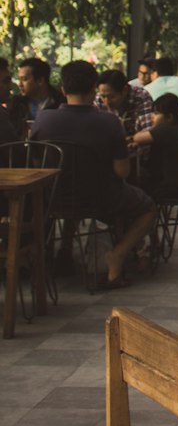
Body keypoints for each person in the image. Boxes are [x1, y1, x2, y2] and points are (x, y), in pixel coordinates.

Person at [31, 58, 155, 290]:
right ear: (93, 89)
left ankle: (64, 253)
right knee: (147, 208)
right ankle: (117, 256)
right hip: (100, 199)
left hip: (53, 198)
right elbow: (122, 171)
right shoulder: (109, 122)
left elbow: (37, 164)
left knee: (69, 192)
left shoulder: (43, 118)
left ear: (63, 89)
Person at [130, 92, 178, 202]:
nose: (152, 116)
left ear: (169, 117)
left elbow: (137, 138)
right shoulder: (175, 130)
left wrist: (139, 137)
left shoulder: (165, 130)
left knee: (130, 182)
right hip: (175, 186)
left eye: (156, 113)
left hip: (165, 188)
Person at [18, 56, 65, 122]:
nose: (20, 84)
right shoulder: (16, 103)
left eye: (24, 79)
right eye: (19, 79)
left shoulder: (60, 103)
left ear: (40, 80)